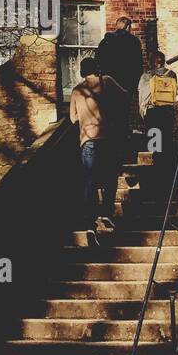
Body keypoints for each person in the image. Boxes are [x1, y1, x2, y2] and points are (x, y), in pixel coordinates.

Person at [70, 56, 128, 232]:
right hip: (107, 138)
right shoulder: (107, 81)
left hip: (87, 140)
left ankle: (90, 221)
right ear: (96, 67)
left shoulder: (77, 90)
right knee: (110, 178)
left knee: (89, 180)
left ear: (82, 71)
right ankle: (106, 214)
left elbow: (73, 118)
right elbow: (125, 96)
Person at [96, 16, 144, 131]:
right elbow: (138, 65)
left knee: (109, 114)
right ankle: (122, 141)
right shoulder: (134, 42)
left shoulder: (105, 41)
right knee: (123, 116)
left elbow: (98, 62)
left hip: (108, 84)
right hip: (126, 85)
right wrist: (134, 84)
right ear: (127, 27)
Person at [138, 51, 178, 188]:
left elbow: (142, 99)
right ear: (163, 61)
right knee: (167, 145)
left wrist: (143, 113)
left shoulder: (146, 77)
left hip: (153, 113)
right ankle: (168, 179)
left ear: (151, 62)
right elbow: (174, 94)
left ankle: (155, 180)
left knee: (155, 147)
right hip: (167, 112)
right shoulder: (172, 75)